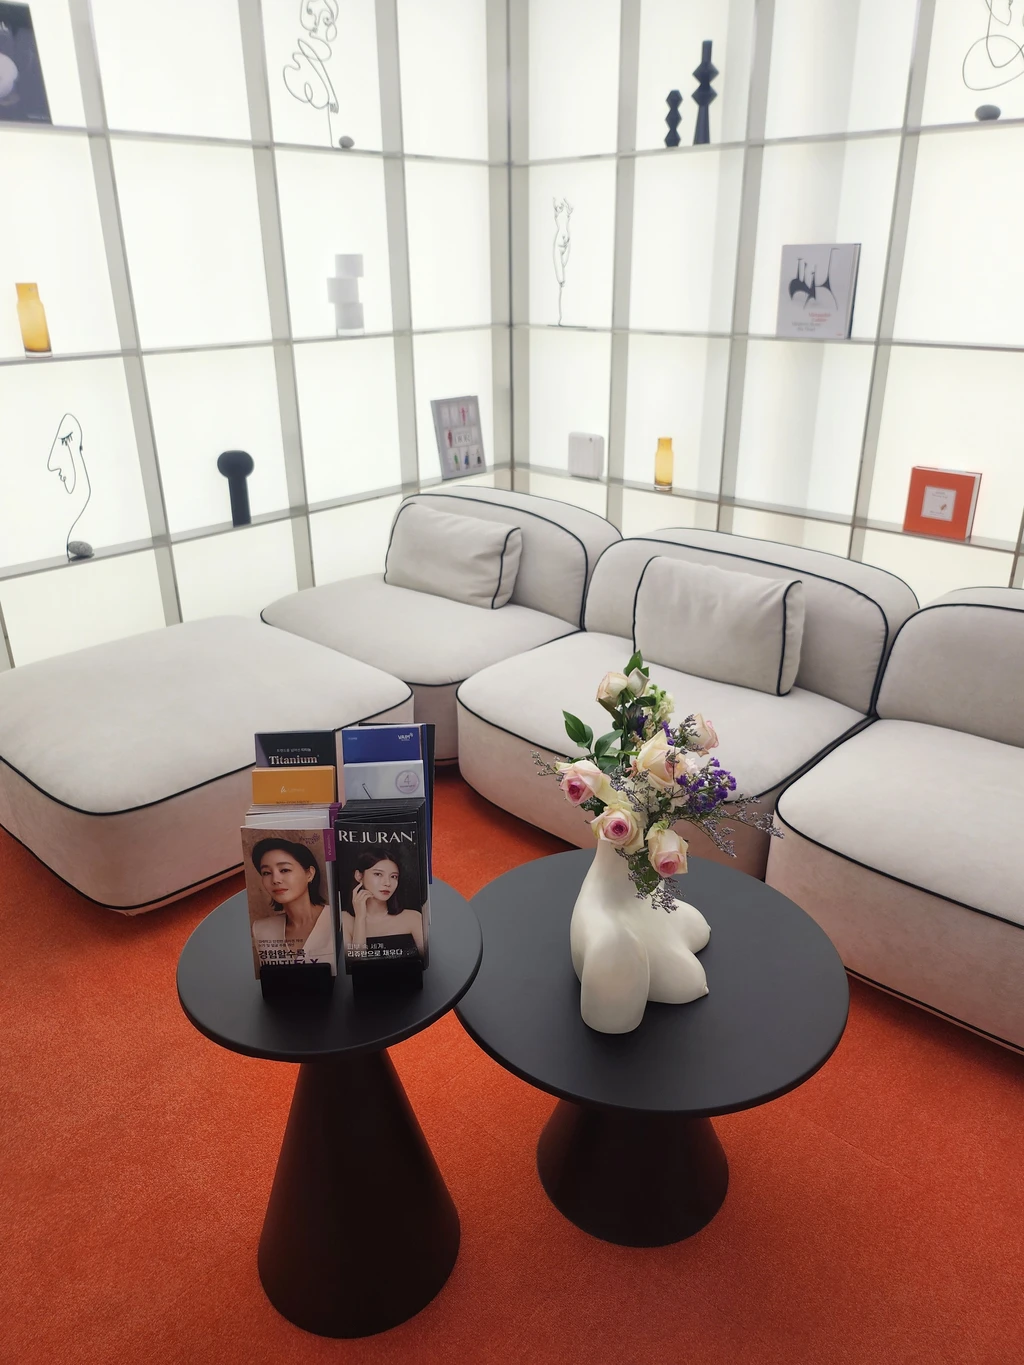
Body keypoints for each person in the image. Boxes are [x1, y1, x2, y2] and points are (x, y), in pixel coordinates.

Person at [249, 838, 334, 968]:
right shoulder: (262, 930)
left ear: (309, 874)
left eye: (284, 870)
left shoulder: (337, 920)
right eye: (266, 873)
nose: (275, 880)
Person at [340, 851, 424, 958]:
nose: (387, 883)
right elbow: (356, 964)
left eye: (393, 876)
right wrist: (360, 918)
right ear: (359, 876)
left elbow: (428, 963)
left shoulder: (413, 918)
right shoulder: (344, 920)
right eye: (378, 874)